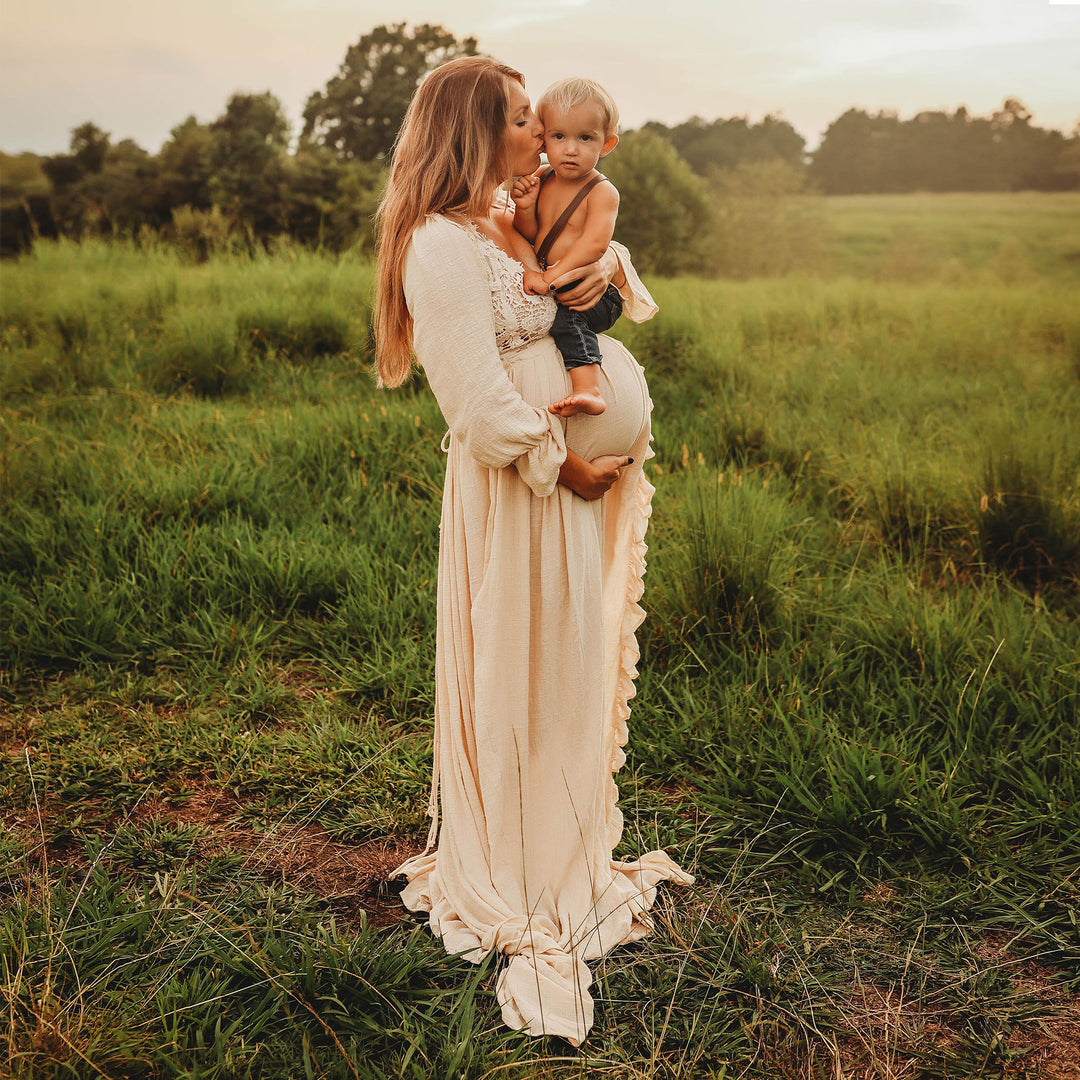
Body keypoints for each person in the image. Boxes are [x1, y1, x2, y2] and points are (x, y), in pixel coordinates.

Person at [375, 56, 692, 1046]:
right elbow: (472, 402)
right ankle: (512, 869)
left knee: (564, 671)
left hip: (559, 486)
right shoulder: (436, 244)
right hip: (524, 491)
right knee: (520, 667)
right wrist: (559, 463)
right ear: (475, 131)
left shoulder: (491, 224)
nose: (536, 128)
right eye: (518, 117)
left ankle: (556, 844)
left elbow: (567, 293)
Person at [510, 78, 623, 419]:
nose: (570, 149)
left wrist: (553, 276)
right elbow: (531, 234)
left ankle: (588, 389)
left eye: (585, 138)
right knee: (560, 318)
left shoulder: (602, 192)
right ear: (544, 139)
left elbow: (594, 244)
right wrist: (526, 207)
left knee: (567, 321)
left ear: (607, 144)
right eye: (559, 136)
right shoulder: (543, 179)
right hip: (556, 282)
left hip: (593, 293)